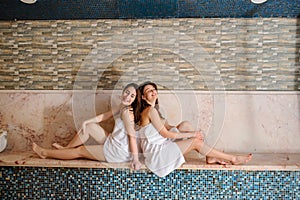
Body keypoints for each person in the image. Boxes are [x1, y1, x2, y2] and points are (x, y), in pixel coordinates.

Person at [134, 81, 252, 177]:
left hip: (162, 146)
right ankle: (233, 158)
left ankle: (209, 155)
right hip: (157, 154)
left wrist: (190, 133)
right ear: (143, 97)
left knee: (185, 125)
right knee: (195, 141)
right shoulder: (150, 111)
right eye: (149, 91)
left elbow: (169, 127)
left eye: (154, 89)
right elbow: (165, 134)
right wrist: (193, 135)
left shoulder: (155, 111)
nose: (153, 91)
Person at [32, 83, 142, 170]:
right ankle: (66, 149)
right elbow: (105, 116)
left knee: (81, 150)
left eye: (132, 96)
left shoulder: (127, 112)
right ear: (123, 92)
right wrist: (86, 122)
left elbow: (132, 137)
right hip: (114, 141)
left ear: (135, 100)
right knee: (90, 127)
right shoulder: (123, 106)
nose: (127, 97)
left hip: (118, 151)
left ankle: (45, 153)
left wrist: (136, 160)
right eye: (127, 92)